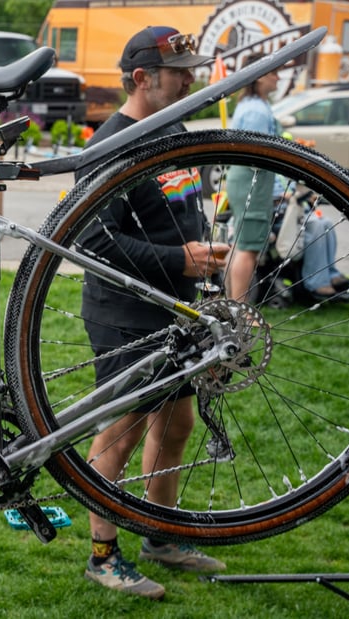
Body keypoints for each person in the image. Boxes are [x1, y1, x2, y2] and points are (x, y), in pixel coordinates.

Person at [76, 26, 228, 600]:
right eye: (180, 70)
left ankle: (160, 537)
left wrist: (201, 262)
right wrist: (177, 260)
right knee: (122, 429)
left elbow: (183, 210)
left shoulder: (171, 129)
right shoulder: (109, 146)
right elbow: (91, 240)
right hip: (126, 312)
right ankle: (102, 554)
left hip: (179, 307)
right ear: (142, 78)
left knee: (177, 422)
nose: (191, 78)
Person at [224, 54, 280, 302]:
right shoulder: (257, 110)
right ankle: (241, 308)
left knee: (239, 244)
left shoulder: (250, 104)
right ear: (258, 77)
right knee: (248, 248)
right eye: (272, 72)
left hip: (243, 180)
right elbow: (260, 157)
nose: (278, 77)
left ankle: (231, 303)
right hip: (253, 182)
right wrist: (278, 189)